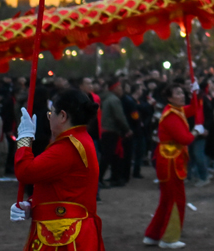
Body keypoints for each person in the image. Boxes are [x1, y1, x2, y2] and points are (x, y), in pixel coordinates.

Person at [11, 89, 104, 251]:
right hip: (64, 227)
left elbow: (25, 172)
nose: (49, 118)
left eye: (51, 113)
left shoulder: (67, 147)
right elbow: (60, 186)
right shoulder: (78, 139)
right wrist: (31, 205)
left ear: (62, 116)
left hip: (64, 234)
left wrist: (24, 139)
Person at [144, 82, 203, 249]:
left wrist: (195, 94)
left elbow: (193, 109)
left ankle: (153, 235)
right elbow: (185, 139)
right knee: (176, 199)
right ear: (170, 98)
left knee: (166, 199)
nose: (182, 95)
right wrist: (197, 131)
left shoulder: (176, 111)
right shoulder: (171, 115)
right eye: (178, 93)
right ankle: (169, 238)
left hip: (169, 159)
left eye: (182, 92)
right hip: (170, 162)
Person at [99, 78, 131, 187]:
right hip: (111, 131)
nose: (122, 90)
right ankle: (99, 179)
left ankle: (106, 178)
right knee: (107, 157)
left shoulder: (106, 99)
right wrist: (127, 129)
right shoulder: (114, 100)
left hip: (106, 130)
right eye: (120, 87)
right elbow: (119, 117)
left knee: (107, 156)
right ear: (115, 88)